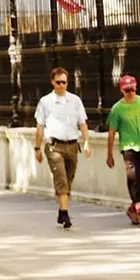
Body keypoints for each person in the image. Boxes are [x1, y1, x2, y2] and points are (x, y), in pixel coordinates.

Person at [34, 67, 91, 229]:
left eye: (64, 82)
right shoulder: (45, 102)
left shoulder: (75, 100)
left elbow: (82, 123)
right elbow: (40, 126)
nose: (61, 86)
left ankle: (61, 209)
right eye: (58, 82)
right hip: (54, 146)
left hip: (72, 145)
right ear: (52, 82)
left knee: (68, 180)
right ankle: (65, 214)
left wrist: (87, 141)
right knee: (61, 179)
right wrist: (37, 148)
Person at [103, 75, 140, 228]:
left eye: (132, 89)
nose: (130, 93)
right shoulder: (117, 109)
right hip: (128, 148)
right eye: (127, 90)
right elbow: (112, 132)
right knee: (133, 179)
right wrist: (109, 155)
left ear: (136, 87)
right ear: (121, 90)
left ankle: (133, 208)